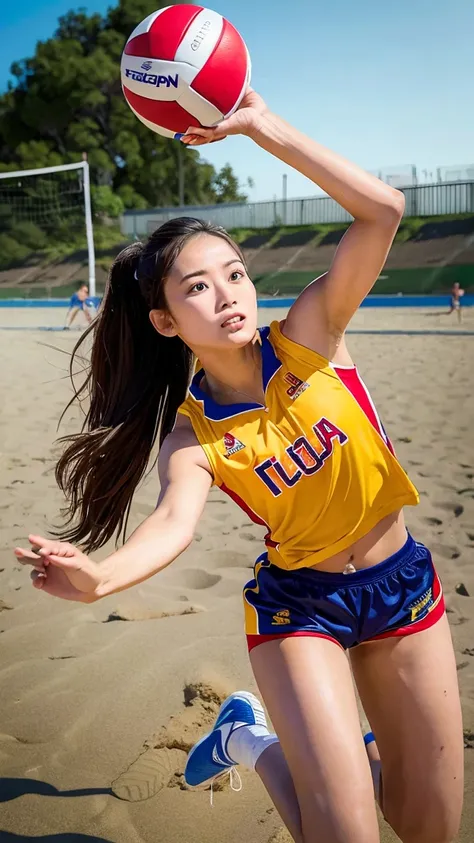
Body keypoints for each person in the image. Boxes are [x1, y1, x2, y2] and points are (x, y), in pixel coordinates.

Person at [15, 89, 463, 843]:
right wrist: (100, 579)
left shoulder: (312, 334)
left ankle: (251, 738)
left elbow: (383, 211)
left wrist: (261, 128)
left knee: (425, 826)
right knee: (346, 833)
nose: (226, 294)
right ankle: (268, 744)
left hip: (401, 586)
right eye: (197, 286)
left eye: (234, 273)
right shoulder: (192, 436)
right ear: (165, 320)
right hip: (301, 610)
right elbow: (172, 525)